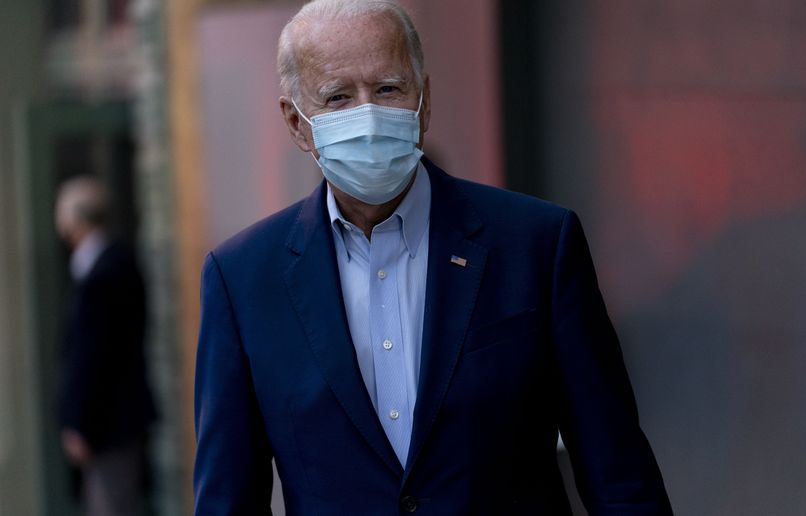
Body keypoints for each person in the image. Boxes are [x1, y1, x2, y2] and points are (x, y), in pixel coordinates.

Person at [193, 0, 672, 514]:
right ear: (295, 122)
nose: (368, 114)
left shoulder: (535, 244)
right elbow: (228, 497)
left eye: (388, 89)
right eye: (337, 97)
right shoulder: (243, 279)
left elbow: (616, 469)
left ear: (424, 102)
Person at [56, 176, 156, 516]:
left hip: (109, 427)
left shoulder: (104, 271)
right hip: (115, 423)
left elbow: (93, 356)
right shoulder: (111, 263)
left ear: (76, 219)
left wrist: (81, 423)